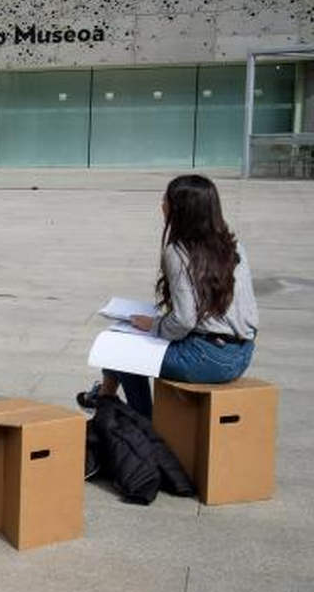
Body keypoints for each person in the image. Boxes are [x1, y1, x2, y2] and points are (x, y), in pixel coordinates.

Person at [79, 174, 258, 419]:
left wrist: (154, 325)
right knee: (127, 337)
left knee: (120, 349)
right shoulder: (233, 246)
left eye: (166, 198)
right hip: (241, 353)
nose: (161, 203)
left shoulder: (179, 252)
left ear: (181, 209)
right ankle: (104, 398)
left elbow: (184, 321)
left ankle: (142, 422)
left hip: (206, 357)